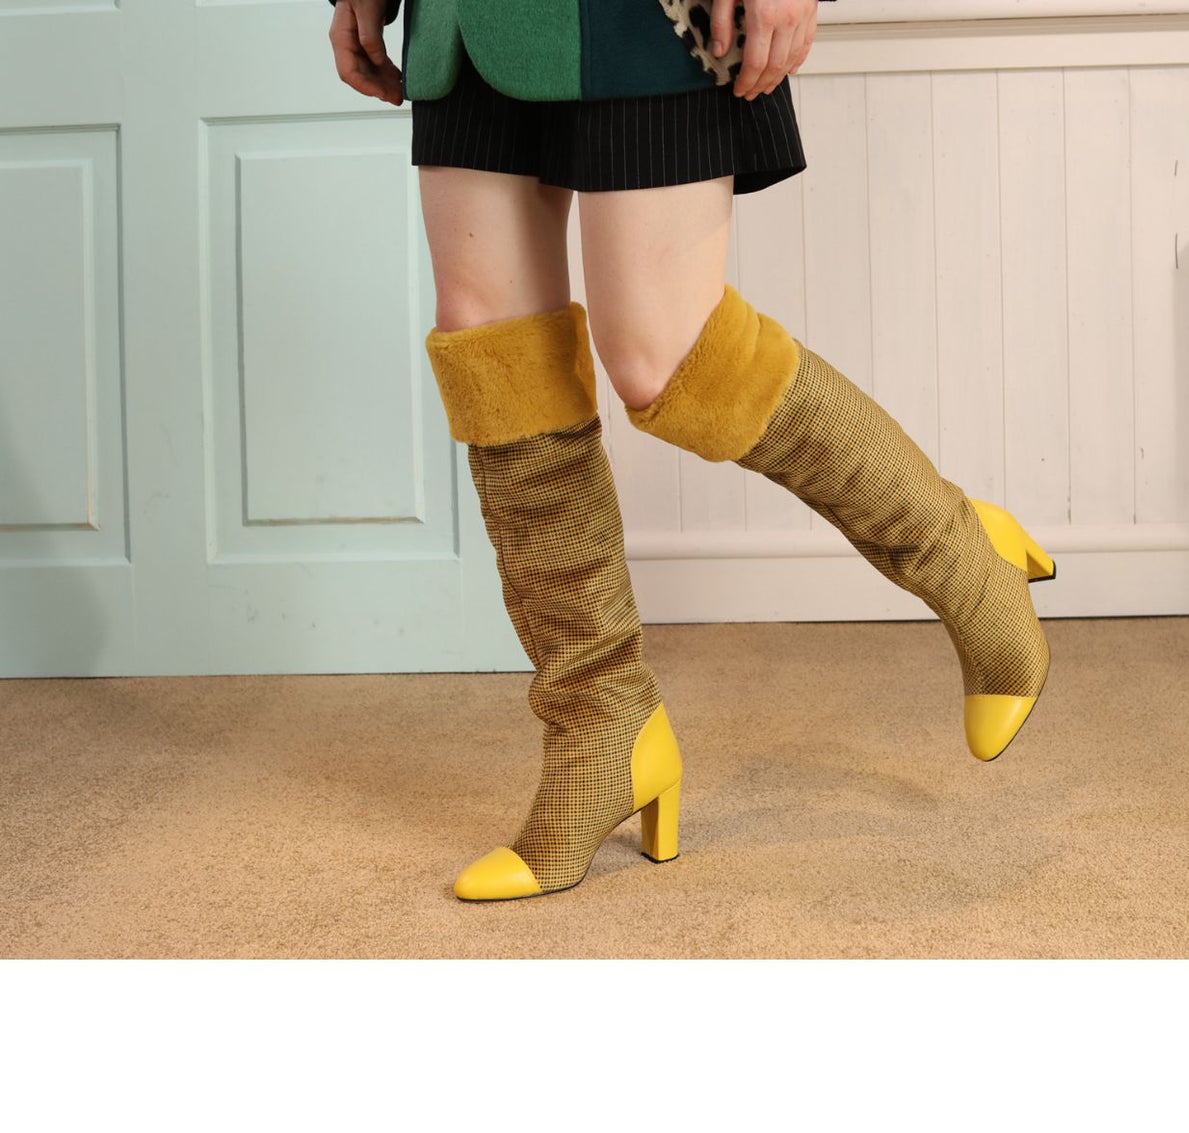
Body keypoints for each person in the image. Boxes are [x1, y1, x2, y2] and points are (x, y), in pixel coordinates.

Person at [327, 0, 1055, 903]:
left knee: (667, 356)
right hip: (468, 20)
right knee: (492, 347)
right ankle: (600, 724)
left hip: (652, 14)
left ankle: (960, 553)